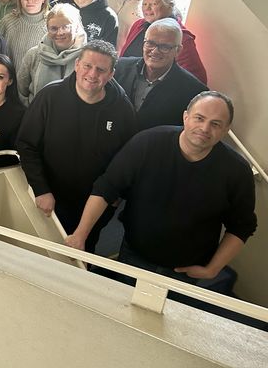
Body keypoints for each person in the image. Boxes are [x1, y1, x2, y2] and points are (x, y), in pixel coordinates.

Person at [66, 92, 257, 285]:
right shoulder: (148, 143)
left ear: (226, 130)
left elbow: (242, 225)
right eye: (199, 118)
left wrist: (212, 269)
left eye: (215, 124)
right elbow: (107, 187)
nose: (205, 128)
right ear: (186, 117)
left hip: (186, 270)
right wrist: (81, 235)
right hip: (134, 255)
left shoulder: (237, 171)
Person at [16, 40, 136, 252]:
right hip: (51, 199)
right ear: (77, 64)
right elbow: (26, 145)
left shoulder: (122, 109)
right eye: (88, 66)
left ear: (111, 74)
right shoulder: (49, 96)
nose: (92, 74)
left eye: (101, 70)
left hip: (95, 205)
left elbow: (128, 160)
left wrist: (117, 196)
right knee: (44, 253)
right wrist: (41, 189)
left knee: (83, 255)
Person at [114, 19, 207, 131]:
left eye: (164, 47)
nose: (155, 51)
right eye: (150, 43)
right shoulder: (119, 67)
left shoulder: (193, 91)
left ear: (178, 50)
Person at [120, 0, 207, 84]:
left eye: (154, 4)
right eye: (145, 4)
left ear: (170, 5)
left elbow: (196, 79)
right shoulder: (138, 25)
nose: (147, 9)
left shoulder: (182, 37)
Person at [17, 3, 86, 105]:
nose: (60, 33)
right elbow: (21, 91)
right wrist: (32, 111)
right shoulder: (34, 55)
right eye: (54, 28)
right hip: (37, 112)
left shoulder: (87, 57)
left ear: (76, 27)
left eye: (65, 27)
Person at [0, 0, 49, 74]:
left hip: (39, 82)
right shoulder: (8, 22)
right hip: (9, 80)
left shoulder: (51, 25)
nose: (30, 0)